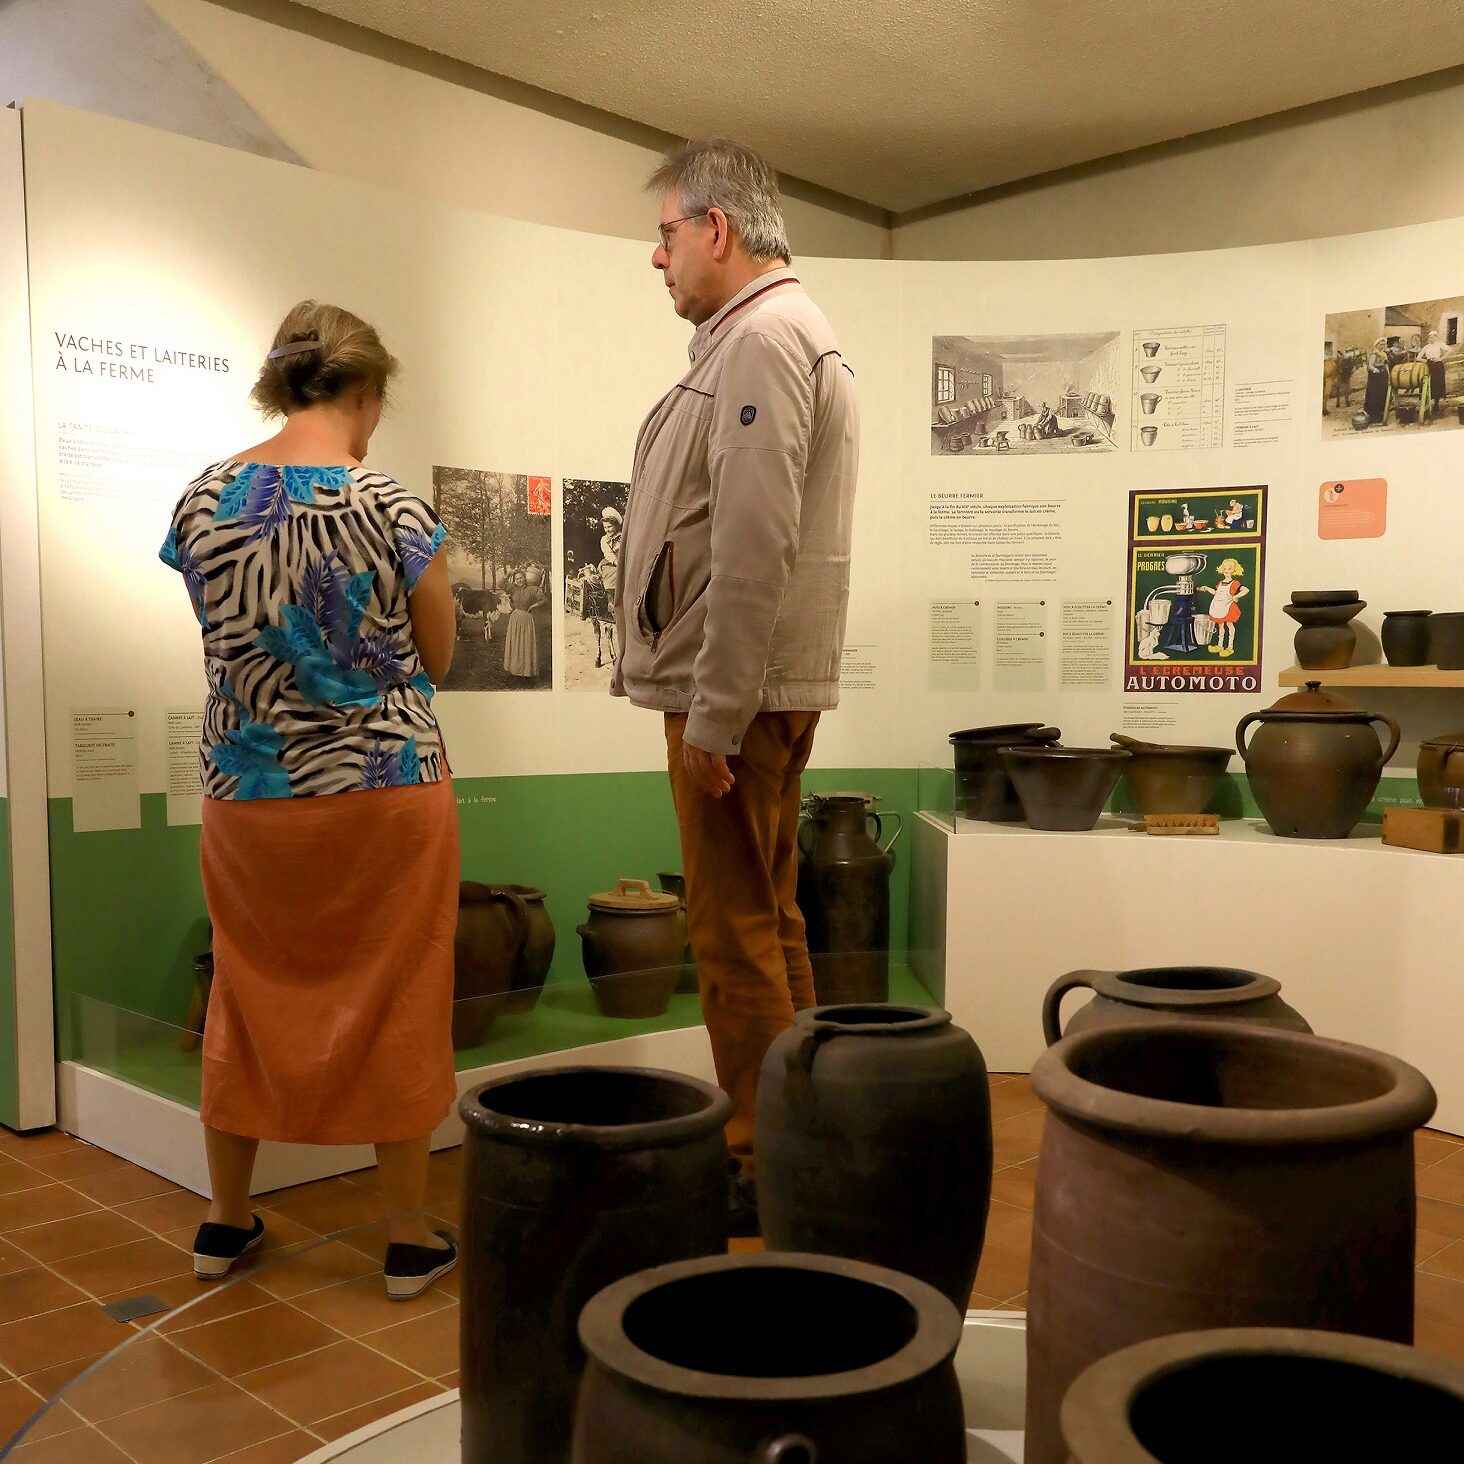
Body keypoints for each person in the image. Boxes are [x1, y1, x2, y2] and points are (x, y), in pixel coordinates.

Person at [161, 301, 460, 1299]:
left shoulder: (204, 500)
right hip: (386, 788)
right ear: (365, 390)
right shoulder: (394, 507)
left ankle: (224, 1221)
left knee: (244, 987)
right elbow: (439, 656)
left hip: (248, 790)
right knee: (401, 993)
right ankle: (409, 1238)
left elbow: (224, 634)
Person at [611, 138, 860, 1234]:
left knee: (728, 930)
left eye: (667, 233)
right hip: (759, 688)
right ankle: (811, 1133)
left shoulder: (760, 340)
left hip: (738, 698)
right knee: (770, 914)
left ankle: (760, 1160)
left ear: (718, 229)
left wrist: (713, 713)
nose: (654, 256)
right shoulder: (770, 337)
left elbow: (754, 544)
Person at [1198, 558, 1248, 659]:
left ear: (1234, 570)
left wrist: (1236, 596)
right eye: (1225, 568)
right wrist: (1207, 588)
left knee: (1229, 625)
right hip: (1219, 607)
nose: (1226, 570)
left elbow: (1245, 589)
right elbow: (1216, 592)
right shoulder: (1220, 583)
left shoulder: (1234, 583)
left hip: (1229, 607)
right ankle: (1220, 646)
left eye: (1229, 568)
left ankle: (1230, 647)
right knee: (1221, 626)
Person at [504, 567, 545, 679]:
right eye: (516, 579)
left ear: (525, 578)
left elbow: (544, 600)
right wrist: (510, 573)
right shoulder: (513, 588)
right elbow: (500, 583)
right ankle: (515, 669)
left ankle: (526, 671)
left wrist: (533, 606)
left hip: (527, 620)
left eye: (521, 578)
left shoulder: (533, 589)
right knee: (516, 644)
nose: (519, 580)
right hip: (515, 619)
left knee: (525, 645)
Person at [1418, 330, 1448, 418]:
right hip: (1429, 366)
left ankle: (1436, 404)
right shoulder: (1426, 347)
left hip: (1438, 366)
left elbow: (1450, 350)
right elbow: (1418, 357)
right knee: (1429, 383)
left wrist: (1441, 358)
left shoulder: (1439, 344)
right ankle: (1427, 404)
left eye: (1433, 337)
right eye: (1430, 337)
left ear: (1436, 337)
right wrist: (1427, 361)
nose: (1431, 338)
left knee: (1438, 384)